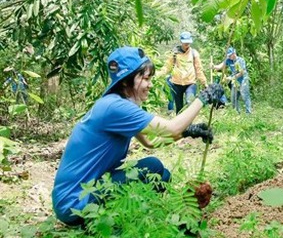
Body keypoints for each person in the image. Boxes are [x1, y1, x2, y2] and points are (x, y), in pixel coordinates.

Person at [51, 47, 225, 226]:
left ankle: (136, 220)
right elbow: (171, 128)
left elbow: (150, 142)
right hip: (74, 203)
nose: (150, 84)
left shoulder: (117, 105)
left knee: (162, 176)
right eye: (146, 78)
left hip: (81, 196)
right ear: (126, 81)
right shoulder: (115, 108)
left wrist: (187, 131)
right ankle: (115, 224)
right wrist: (203, 98)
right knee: (153, 166)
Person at [157, 32, 208, 113]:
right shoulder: (174, 53)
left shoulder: (194, 53)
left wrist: (204, 83)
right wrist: (157, 74)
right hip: (176, 84)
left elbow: (199, 69)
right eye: (185, 42)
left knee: (189, 102)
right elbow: (167, 67)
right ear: (181, 41)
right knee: (179, 108)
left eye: (188, 42)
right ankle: (180, 125)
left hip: (190, 83)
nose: (187, 44)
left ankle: (189, 124)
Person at [213, 47, 252, 114]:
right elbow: (220, 66)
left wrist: (231, 78)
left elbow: (241, 73)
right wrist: (213, 66)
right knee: (233, 97)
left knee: (245, 96)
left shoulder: (240, 60)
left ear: (234, 53)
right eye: (228, 55)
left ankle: (248, 112)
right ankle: (236, 112)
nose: (229, 56)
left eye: (230, 55)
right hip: (235, 81)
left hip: (243, 80)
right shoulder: (228, 60)